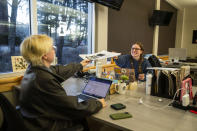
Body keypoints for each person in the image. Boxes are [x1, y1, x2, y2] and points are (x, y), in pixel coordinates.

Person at [19, 34, 105, 131]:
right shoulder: (44, 79)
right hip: (48, 126)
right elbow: (74, 107)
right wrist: (98, 103)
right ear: (45, 55)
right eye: (52, 48)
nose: (54, 50)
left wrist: (80, 65)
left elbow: (59, 70)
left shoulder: (34, 70)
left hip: (36, 121)